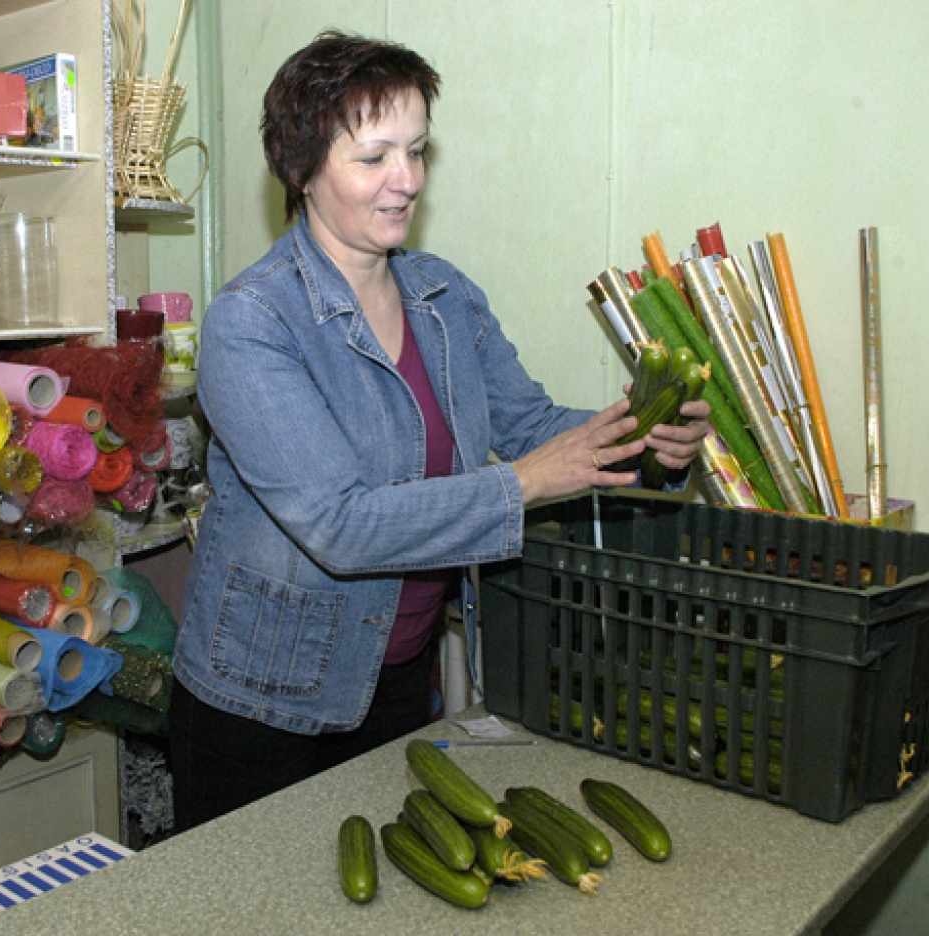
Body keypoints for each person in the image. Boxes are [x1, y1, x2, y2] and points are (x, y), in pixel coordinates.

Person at [168, 29, 710, 832]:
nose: (407, 180)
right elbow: (342, 525)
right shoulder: (252, 323)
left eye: (417, 151)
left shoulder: (444, 296)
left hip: (398, 676)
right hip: (264, 696)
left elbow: (533, 427)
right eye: (374, 156)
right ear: (300, 168)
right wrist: (530, 481)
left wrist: (644, 436)